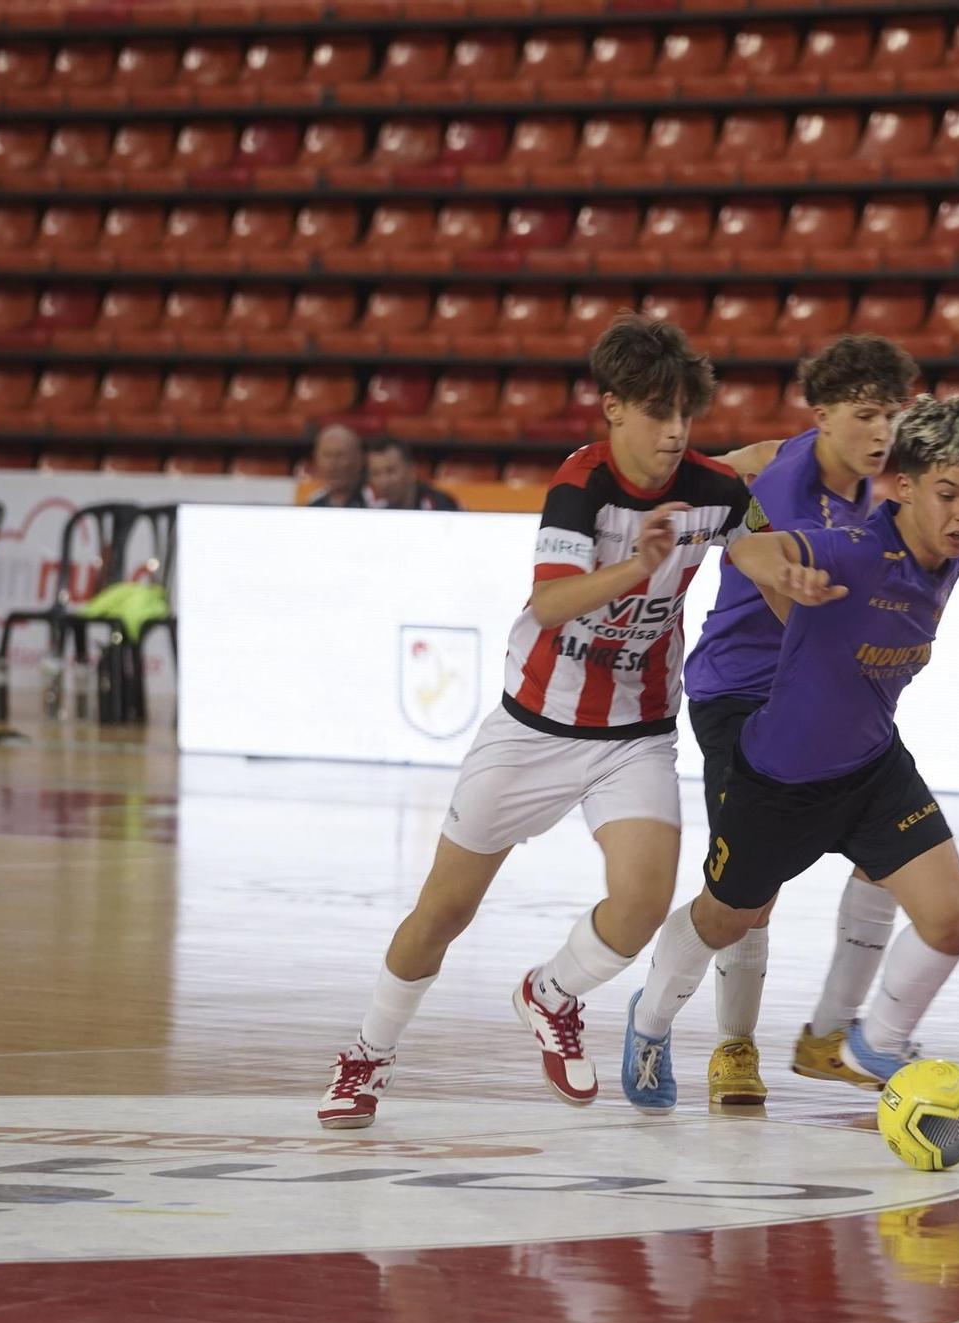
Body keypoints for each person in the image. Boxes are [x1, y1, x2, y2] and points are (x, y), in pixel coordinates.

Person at [318, 314, 835, 1129]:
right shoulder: (581, 485)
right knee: (442, 913)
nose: (674, 433)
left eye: (685, 416)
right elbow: (550, 601)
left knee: (640, 902)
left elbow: (757, 550)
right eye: (657, 413)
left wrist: (796, 592)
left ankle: (550, 991)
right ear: (613, 408)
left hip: (634, 736)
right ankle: (365, 1055)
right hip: (532, 729)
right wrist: (638, 564)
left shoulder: (714, 491)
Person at [618, 394, 959, 1112]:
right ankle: (649, 1022)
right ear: (902, 486)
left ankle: (872, 1042)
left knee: (952, 918)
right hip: (779, 779)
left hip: (871, 769)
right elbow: (751, 545)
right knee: (725, 917)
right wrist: (782, 573)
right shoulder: (857, 549)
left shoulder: (954, 550)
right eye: (947, 495)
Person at [681, 333, 919, 1106]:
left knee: (890, 854)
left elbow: (750, 452)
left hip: (825, 688)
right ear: (828, 417)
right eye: (868, 415)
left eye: (892, 415)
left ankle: (828, 1036)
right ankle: (733, 1046)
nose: (883, 432)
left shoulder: (854, 471)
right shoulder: (791, 483)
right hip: (745, 691)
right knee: (750, 894)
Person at [366, 438, 462, 512]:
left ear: (411, 471)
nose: (384, 481)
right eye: (376, 473)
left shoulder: (441, 505)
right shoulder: (367, 508)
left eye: (391, 471)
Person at [304, 424, 371, 508]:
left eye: (340, 455)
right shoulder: (311, 506)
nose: (333, 465)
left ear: (359, 460)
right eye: (327, 455)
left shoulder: (375, 504)